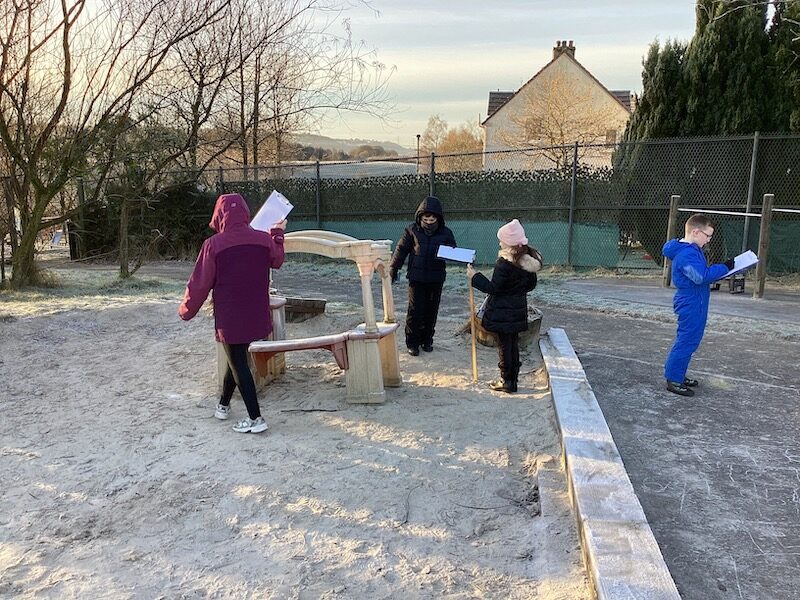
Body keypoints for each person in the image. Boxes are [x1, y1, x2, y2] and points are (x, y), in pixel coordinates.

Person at [179, 192, 286, 433]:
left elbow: (200, 283)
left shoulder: (213, 245)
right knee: (236, 358)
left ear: (219, 216)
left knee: (238, 361)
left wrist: (186, 310)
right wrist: (277, 233)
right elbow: (277, 260)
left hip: (230, 316)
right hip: (256, 313)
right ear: (246, 214)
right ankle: (223, 405)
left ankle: (255, 419)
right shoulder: (262, 239)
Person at [662, 214, 734, 397]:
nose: (709, 240)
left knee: (690, 340)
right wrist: (725, 267)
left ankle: (678, 374)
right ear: (695, 232)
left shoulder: (690, 250)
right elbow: (701, 276)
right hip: (691, 302)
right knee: (687, 341)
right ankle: (673, 380)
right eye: (707, 236)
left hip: (696, 300)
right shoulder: (687, 254)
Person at [467, 219, 542, 393]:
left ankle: (506, 381)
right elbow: (530, 285)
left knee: (504, 347)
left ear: (509, 242)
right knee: (512, 345)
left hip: (502, 312)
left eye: (502, 239)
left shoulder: (505, 263)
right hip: (517, 311)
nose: (499, 242)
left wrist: (474, 276)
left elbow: (493, 288)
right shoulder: (526, 261)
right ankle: (512, 379)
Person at [389, 196, 456, 356]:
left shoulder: (446, 233)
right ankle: (412, 342)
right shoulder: (411, 230)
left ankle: (427, 340)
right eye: (426, 218)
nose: (429, 221)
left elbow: (453, 250)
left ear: (438, 218)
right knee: (415, 310)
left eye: (432, 218)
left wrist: (454, 253)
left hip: (436, 277)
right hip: (416, 278)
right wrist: (393, 267)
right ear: (420, 217)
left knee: (431, 310)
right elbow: (401, 250)